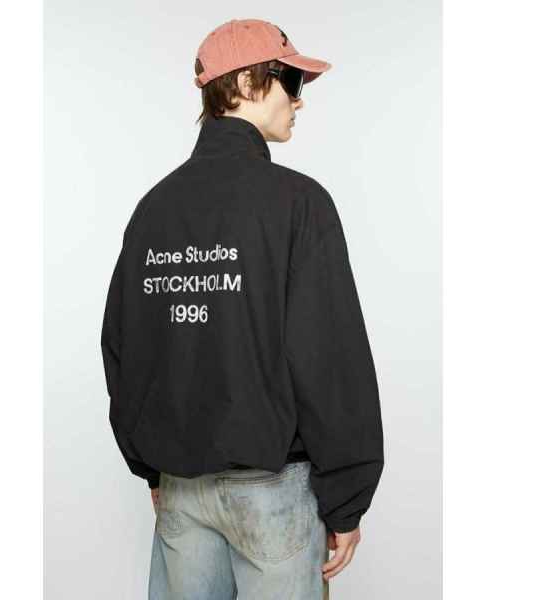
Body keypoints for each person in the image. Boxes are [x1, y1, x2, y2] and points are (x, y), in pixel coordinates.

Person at [101, 18, 384, 599]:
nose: (299, 101)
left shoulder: (153, 209)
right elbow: (329, 359)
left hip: (181, 491)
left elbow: (122, 348)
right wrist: (347, 500)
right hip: (271, 493)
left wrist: (152, 466)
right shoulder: (298, 203)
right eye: (292, 83)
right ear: (250, 82)